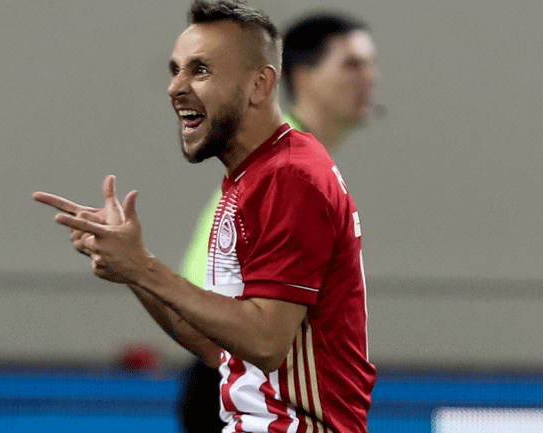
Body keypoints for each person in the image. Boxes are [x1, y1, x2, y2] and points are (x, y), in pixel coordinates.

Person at [34, 1, 376, 431]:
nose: (175, 87)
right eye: (175, 70)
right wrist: (132, 268)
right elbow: (220, 348)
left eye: (200, 70)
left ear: (259, 85)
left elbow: (266, 341)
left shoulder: (290, 176)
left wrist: (143, 267)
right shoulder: (251, 179)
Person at [177, 10, 378, 432]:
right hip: (244, 394)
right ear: (301, 77)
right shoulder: (283, 173)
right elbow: (207, 302)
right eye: (351, 65)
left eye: (370, 64)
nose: (369, 78)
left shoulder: (295, 164)